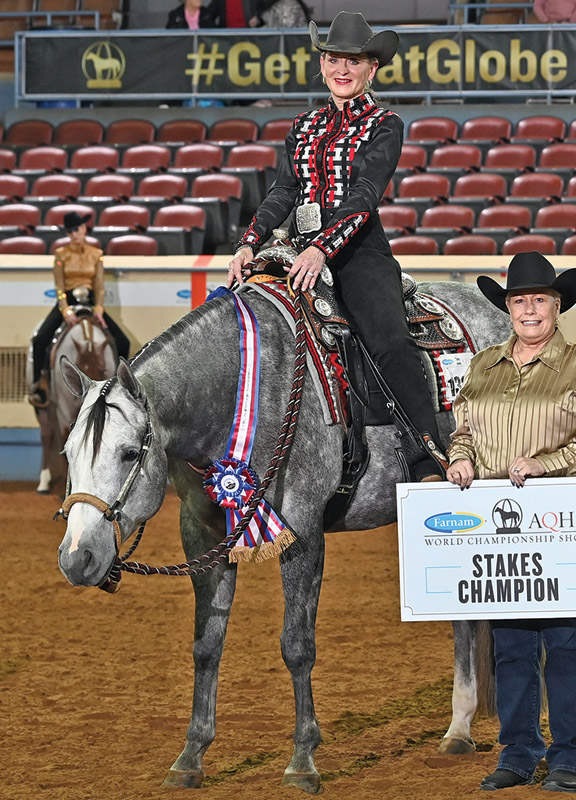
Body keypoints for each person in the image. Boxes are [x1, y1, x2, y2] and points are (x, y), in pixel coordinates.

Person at [227, 11, 445, 481]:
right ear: (322, 65)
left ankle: (427, 453)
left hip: (359, 250)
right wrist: (248, 243)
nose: (342, 68)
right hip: (298, 247)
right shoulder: (302, 126)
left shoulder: (385, 124)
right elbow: (285, 192)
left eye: (354, 60)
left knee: (388, 340)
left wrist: (323, 248)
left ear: (373, 70)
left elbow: (365, 195)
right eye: (333, 59)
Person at [446, 251, 576, 793]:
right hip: (501, 529)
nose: (529, 309)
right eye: (519, 300)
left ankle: (569, 758)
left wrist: (547, 463)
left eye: (538, 300)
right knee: (513, 646)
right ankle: (519, 753)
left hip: (560, 524)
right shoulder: (484, 365)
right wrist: (459, 458)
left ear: (556, 306)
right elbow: (464, 427)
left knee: (566, 647)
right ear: (507, 307)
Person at [29, 212, 130, 407]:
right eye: (69, 231)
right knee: (40, 338)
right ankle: (39, 384)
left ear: (84, 228)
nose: (74, 234)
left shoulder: (96, 254)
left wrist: (99, 308)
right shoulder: (61, 254)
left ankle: (121, 386)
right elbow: (59, 286)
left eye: (76, 229)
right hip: (68, 300)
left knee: (123, 341)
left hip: (91, 301)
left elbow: (99, 285)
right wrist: (65, 309)